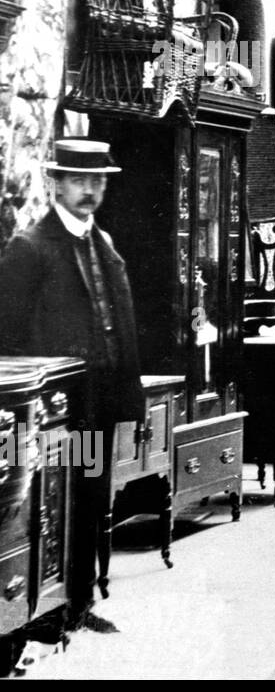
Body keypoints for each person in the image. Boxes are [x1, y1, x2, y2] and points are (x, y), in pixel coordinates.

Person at [0, 139, 145, 633]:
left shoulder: (102, 243)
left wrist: (130, 401)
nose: (90, 190)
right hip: (56, 408)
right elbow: (9, 336)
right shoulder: (30, 248)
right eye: (80, 181)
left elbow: (120, 325)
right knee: (50, 502)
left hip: (96, 402)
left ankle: (79, 604)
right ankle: (47, 614)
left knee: (88, 499)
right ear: (56, 184)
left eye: (98, 181)